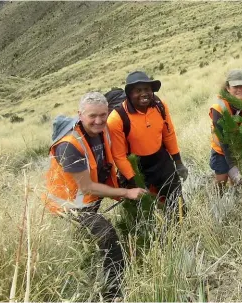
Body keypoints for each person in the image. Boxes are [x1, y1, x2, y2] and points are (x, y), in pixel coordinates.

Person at [41, 92, 147, 301]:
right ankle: (114, 292)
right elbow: (87, 187)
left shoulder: (101, 131)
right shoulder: (69, 145)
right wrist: (126, 192)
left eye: (102, 115)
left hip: (88, 202)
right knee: (106, 234)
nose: (98, 120)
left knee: (85, 245)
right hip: (68, 207)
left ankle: (91, 272)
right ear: (80, 115)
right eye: (92, 116)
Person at [107, 71, 188, 217]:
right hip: (136, 167)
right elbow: (119, 156)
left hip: (162, 160)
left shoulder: (160, 106)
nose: (144, 94)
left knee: (177, 201)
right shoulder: (116, 118)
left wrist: (178, 162)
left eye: (147, 89)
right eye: (138, 90)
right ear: (129, 94)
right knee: (146, 213)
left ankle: (181, 227)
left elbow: (169, 134)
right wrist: (135, 181)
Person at [209, 69, 242, 195]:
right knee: (222, 179)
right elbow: (223, 141)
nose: (239, 89)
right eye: (235, 86)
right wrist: (232, 166)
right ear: (227, 87)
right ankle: (214, 200)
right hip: (222, 148)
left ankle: (237, 200)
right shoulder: (219, 107)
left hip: (241, 145)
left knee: (240, 181)